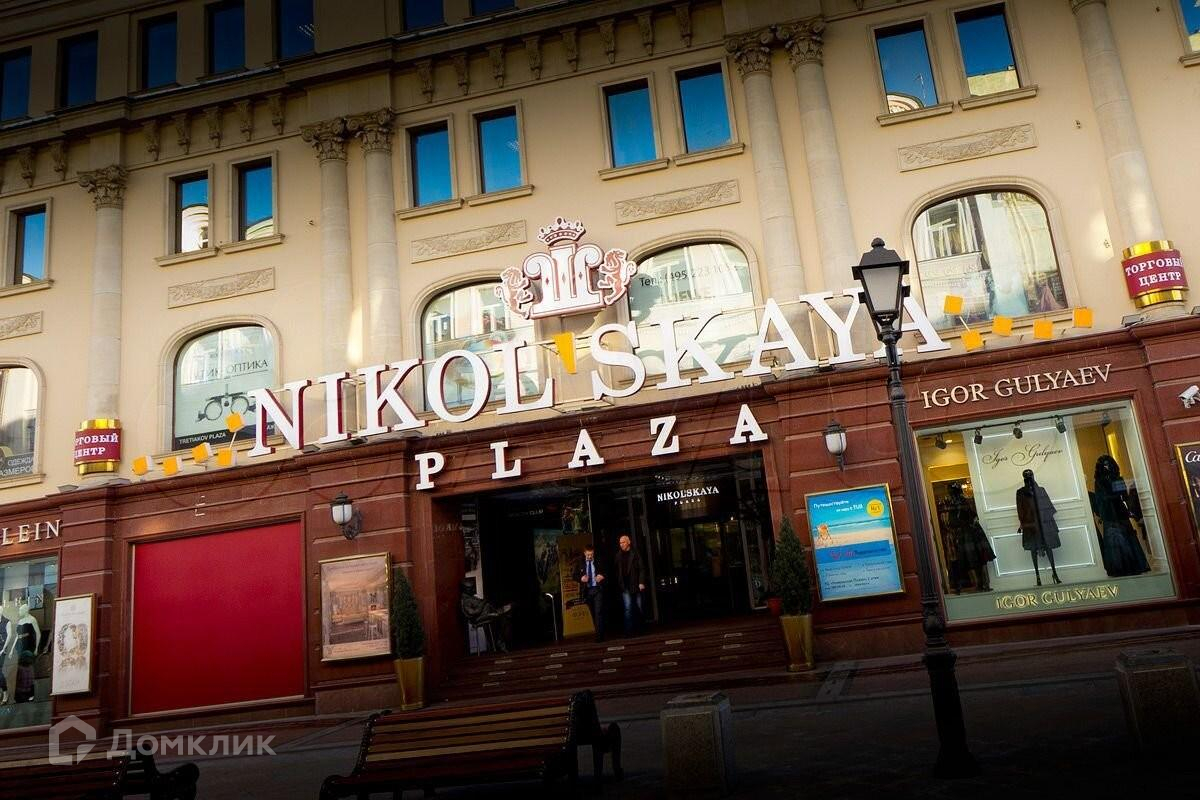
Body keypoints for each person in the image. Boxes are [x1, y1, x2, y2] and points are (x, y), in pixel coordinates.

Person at [615, 535, 646, 636]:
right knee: (628, 608)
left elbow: (641, 569)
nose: (621, 544)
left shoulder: (635, 553)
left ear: (629, 542)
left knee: (639, 607)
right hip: (625, 586)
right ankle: (628, 632)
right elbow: (616, 571)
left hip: (636, 584)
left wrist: (641, 582)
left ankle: (641, 630)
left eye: (623, 542)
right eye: (620, 543)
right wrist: (619, 583)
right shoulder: (618, 555)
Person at [574, 545, 606, 642]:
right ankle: (599, 631)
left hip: (597, 589)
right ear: (584, 553)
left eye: (591, 554)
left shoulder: (599, 560)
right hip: (587, 591)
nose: (589, 556)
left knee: (598, 612)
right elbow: (574, 575)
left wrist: (602, 576)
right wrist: (581, 578)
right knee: (593, 612)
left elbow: (607, 571)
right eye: (588, 555)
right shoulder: (580, 562)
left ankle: (599, 637)